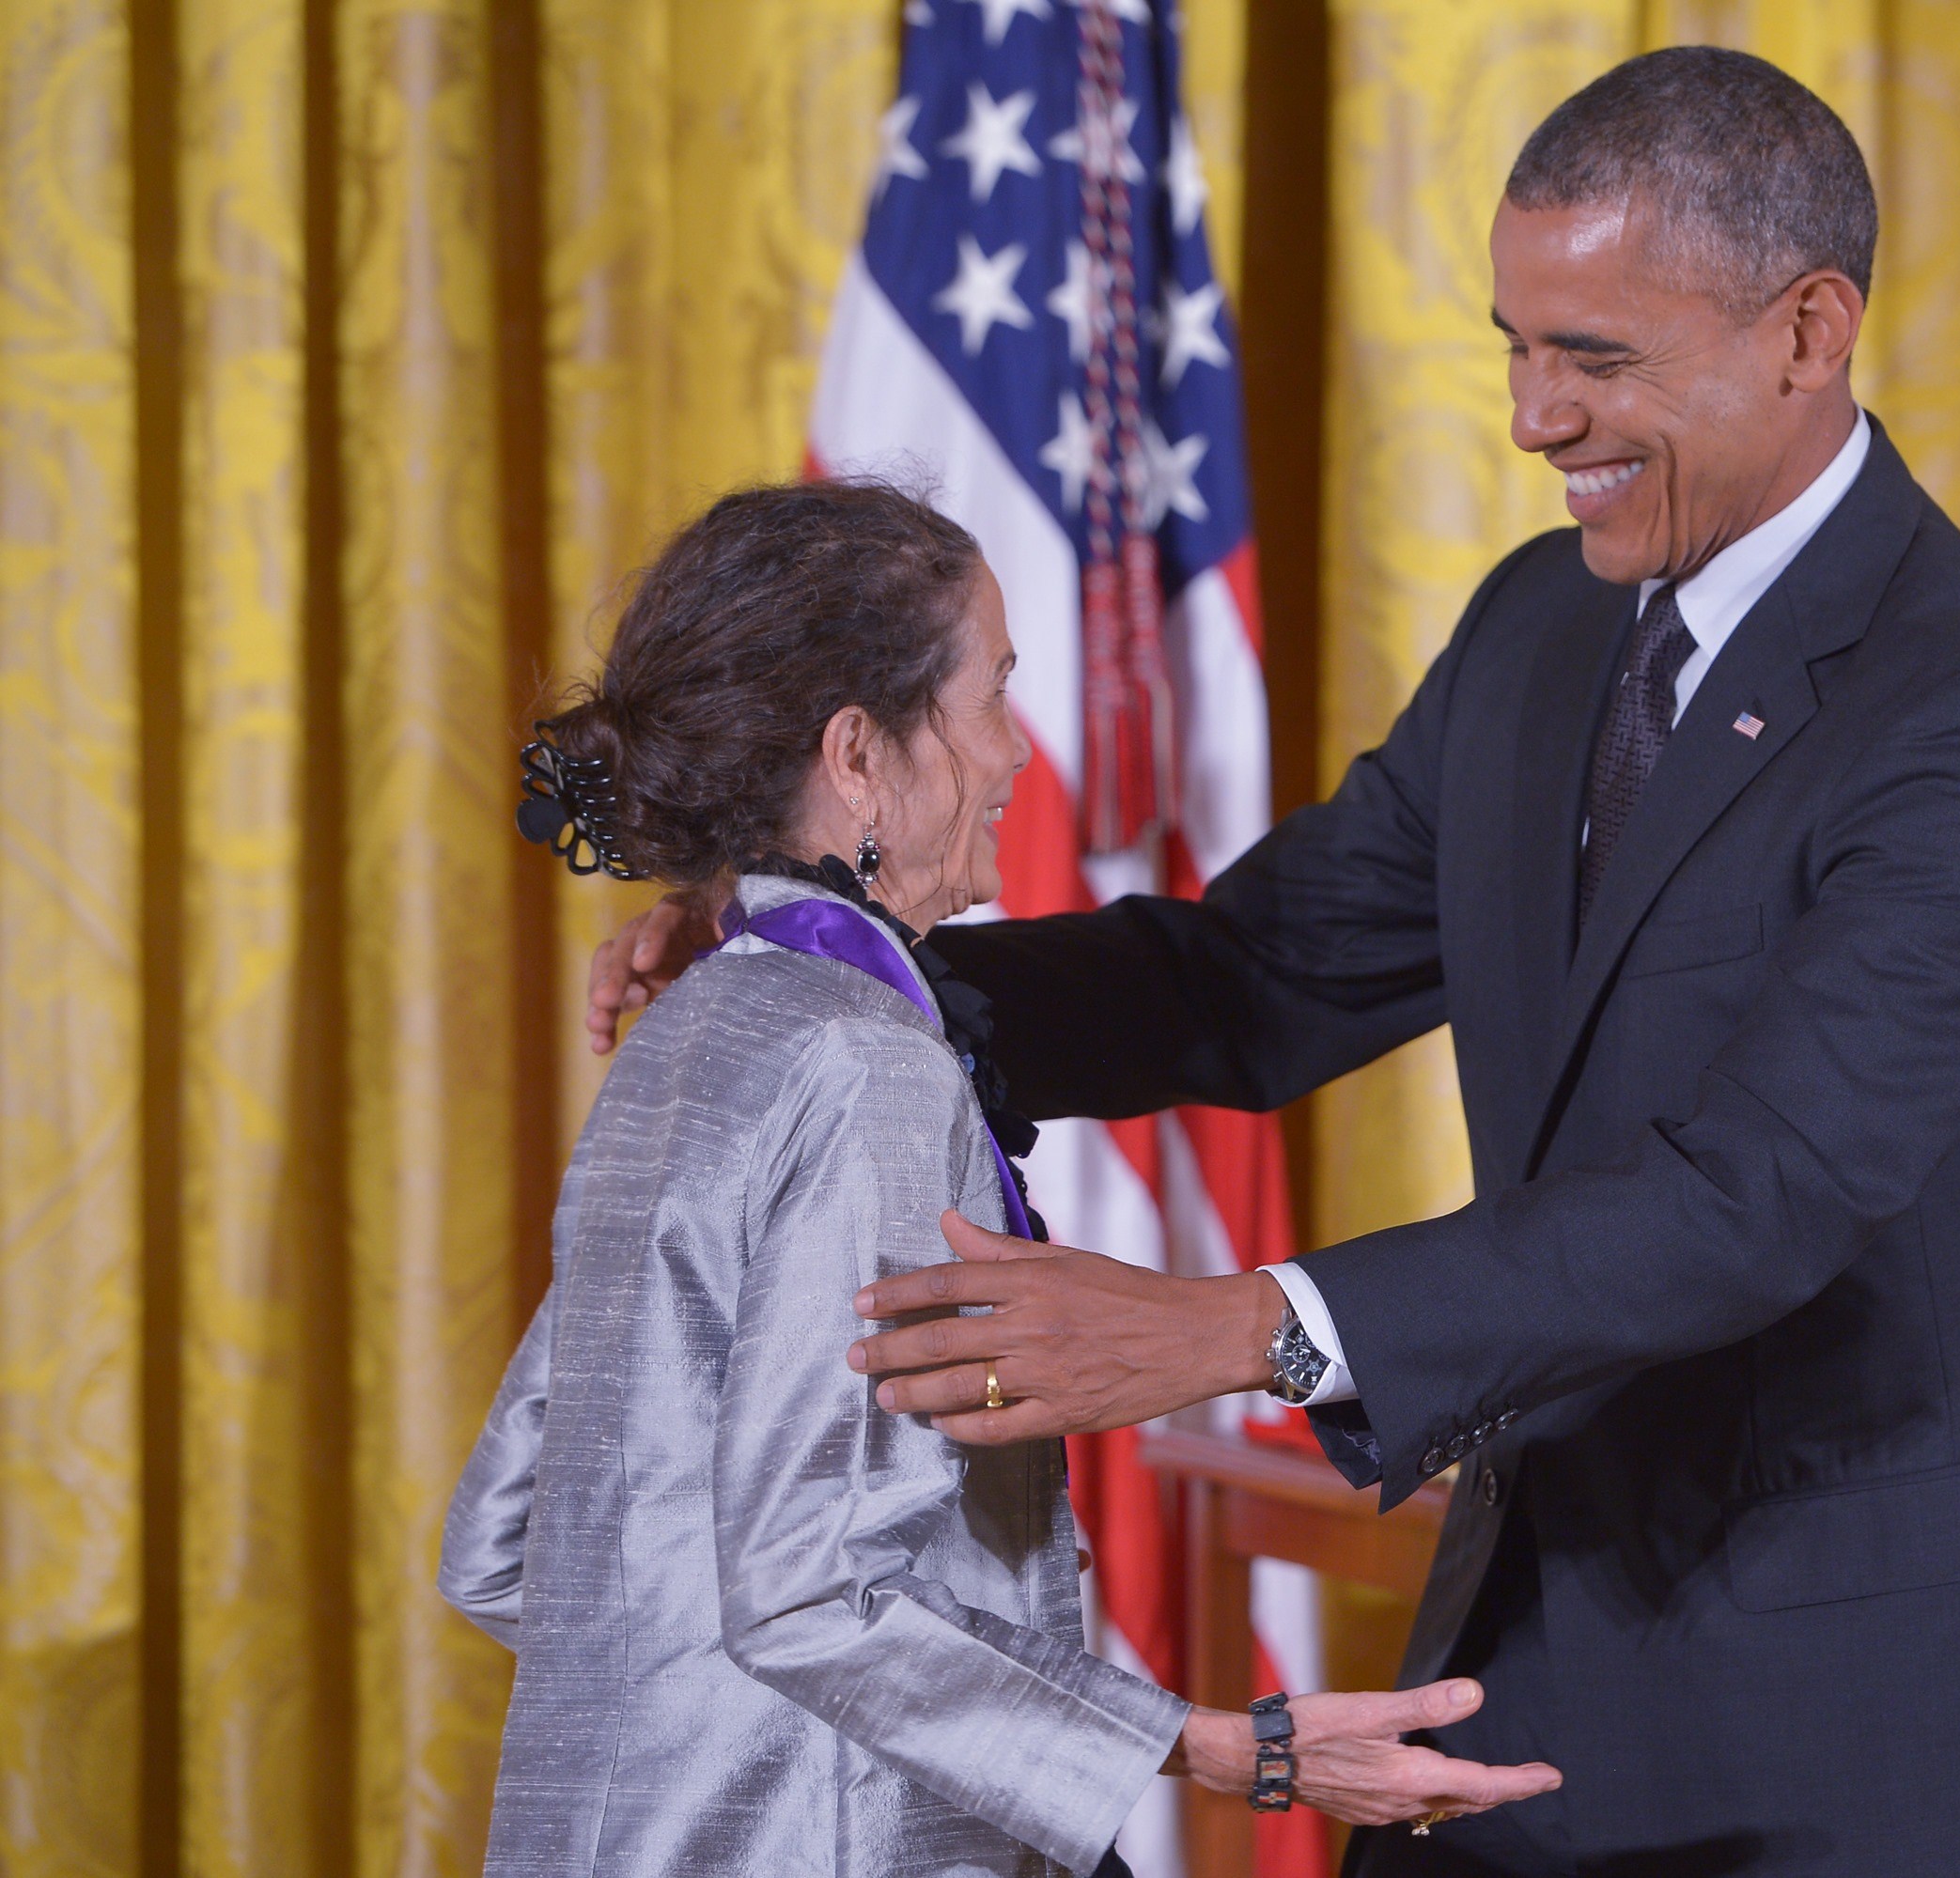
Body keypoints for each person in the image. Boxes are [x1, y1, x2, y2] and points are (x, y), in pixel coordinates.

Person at [596, 49, 1960, 1878]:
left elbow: (1756, 1194)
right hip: (1544, 1647)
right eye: (1518, 345)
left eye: (1595, 359)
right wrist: (822, 962)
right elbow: (1256, 970)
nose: (1534, 417)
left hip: (1892, 1702)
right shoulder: (1545, 625)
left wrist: (1247, 1324)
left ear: (1807, 332)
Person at [443, 481, 1558, 1878]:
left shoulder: (691, 1035)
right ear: (859, 755)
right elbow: (806, 1599)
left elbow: (504, 1543)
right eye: (991, 697)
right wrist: (1231, 1748)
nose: (1020, 755)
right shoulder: (863, 1066)